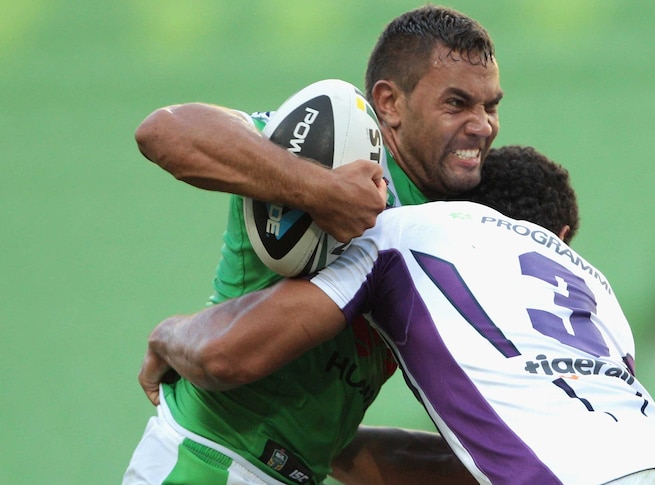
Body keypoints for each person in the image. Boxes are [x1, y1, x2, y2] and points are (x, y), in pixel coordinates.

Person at [139, 145, 655, 485]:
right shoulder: (595, 292)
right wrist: (331, 441)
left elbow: (226, 355)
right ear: (563, 237)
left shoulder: (412, 231)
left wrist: (169, 336)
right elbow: (475, 462)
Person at [125, 5, 500, 485]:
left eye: (490, 106)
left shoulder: (454, 220)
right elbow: (164, 130)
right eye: (457, 104)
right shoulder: (334, 147)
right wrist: (322, 191)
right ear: (389, 102)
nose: (482, 125)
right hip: (208, 458)